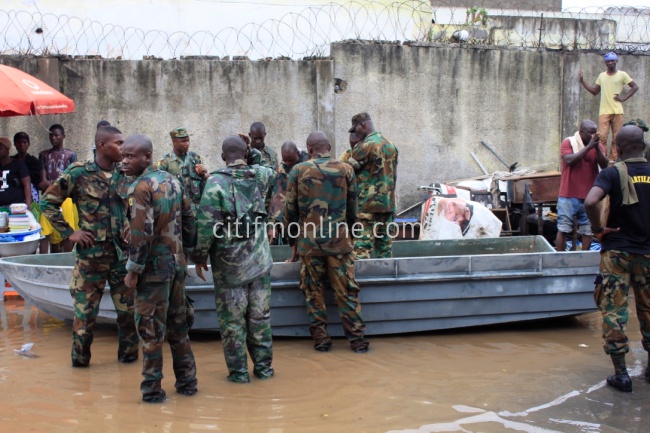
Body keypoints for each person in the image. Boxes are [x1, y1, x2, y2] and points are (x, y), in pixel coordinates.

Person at [39, 126, 138, 367]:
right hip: (90, 259)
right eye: (119, 143)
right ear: (102, 145)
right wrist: (70, 233)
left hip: (120, 258)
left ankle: (129, 363)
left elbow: (136, 205)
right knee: (85, 318)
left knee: (128, 315)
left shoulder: (125, 174)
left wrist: (131, 224)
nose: (123, 149)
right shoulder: (79, 173)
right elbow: (47, 203)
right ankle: (81, 367)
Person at [191, 135, 276, 384]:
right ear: (247, 153)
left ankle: (239, 375)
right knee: (260, 319)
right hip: (260, 263)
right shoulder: (261, 175)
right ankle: (264, 370)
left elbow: (206, 225)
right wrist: (253, 153)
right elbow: (272, 169)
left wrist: (199, 256)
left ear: (222, 156)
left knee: (233, 324)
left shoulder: (215, 183)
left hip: (230, 269)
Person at [122, 134, 197, 403]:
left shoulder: (140, 188)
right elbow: (190, 219)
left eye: (130, 156)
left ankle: (152, 392)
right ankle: (188, 383)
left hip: (153, 271)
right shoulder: (172, 180)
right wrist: (186, 252)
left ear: (147, 157)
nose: (124, 161)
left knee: (151, 332)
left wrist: (132, 271)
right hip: (176, 266)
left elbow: (142, 233)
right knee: (179, 328)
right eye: (123, 156)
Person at [283, 131, 369, 353]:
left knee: (313, 293)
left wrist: (293, 243)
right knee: (347, 292)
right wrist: (352, 239)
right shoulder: (346, 169)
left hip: (309, 246)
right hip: (339, 245)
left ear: (309, 149)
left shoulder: (298, 171)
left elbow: (290, 212)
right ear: (328, 147)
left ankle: (321, 341)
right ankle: (358, 341)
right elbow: (353, 211)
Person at [584, 125, 650, 393]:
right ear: (643, 147)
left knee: (614, 311)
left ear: (619, 150)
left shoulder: (612, 173)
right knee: (647, 309)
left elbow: (590, 202)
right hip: (647, 254)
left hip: (617, 254)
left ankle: (621, 375)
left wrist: (598, 229)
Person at [345, 112, 399, 259]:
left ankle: (362, 282)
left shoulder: (365, 146)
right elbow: (393, 176)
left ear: (362, 125)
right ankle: (386, 280)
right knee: (385, 251)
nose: (355, 134)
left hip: (367, 208)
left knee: (361, 251)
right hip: (388, 206)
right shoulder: (391, 145)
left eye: (355, 130)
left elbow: (347, 172)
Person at [555, 120, 609, 252]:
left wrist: (596, 147)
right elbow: (569, 161)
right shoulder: (569, 142)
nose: (593, 135)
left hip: (589, 197)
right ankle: (559, 258)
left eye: (595, 132)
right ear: (581, 132)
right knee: (563, 229)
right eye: (590, 132)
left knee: (587, 230)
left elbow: (604, 164)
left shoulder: (598, 146)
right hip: (568, 194)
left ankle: (584, 257)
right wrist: (589, 147)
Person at [579, 52, 639, 162]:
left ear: (616, 61)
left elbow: (635, 87)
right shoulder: (602, 76)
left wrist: (623, 98)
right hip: (604, 111)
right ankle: (602, 158)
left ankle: (613, 160)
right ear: (605, 63)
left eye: (612, 60)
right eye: (608, 61)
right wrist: (582, 82)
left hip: (617, 110)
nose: (610, 63)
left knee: (617, 138)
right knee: (602, 137)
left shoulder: (622, 74)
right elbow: (595, 91)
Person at [39, 124, 79, 253]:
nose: (53, 138)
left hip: (66, 198)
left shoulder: (70, 155)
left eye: (56, 135)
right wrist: (58, 184)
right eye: (51, 135)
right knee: (45, 231)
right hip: (48, 197)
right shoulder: (44, 155)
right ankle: (46, 261)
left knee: (67, 229)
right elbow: (43, 181)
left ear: (63, 136)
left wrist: (52, 184)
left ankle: (65, 258)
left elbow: (73, 178)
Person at [158, 127, 209, 215]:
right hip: (177, 211)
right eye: (183, 141)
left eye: (188, 140)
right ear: (174, 142)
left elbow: (206, 181)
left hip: (198, 210)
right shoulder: (165, 162)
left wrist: (204, 174)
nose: (187, 144)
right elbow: (160, 189)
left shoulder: (195, 158)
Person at [268, 141, 308, 244]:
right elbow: (278, 197)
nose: (288, 163)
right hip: (292, 217)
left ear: (298, 154)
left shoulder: (309, 162)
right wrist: (273, 225)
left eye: (291, 160)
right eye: (285, 160)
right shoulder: (283, 169)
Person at [0, 137, 32, 207]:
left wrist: (28, 205)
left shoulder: (18, 164)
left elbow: (26, 185)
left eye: (0, 148)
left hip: (15, 206)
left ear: (7, 150)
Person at [12, 132, 41, 203]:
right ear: (15, 144)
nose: (22, 144)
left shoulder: (34, 161)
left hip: (31, 193)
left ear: (28, 144)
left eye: (24, 142)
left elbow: (37, 180)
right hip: (15, 194)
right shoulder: (12, 161)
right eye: (19, 142)